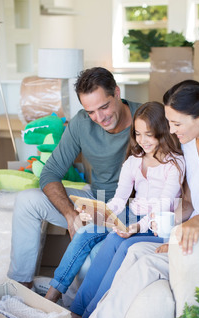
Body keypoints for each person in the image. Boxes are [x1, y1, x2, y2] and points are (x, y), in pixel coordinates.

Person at [29, 79, 199, 318]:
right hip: (179, 228)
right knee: (120, 242)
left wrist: (177, 227)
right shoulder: (188, 144)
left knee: (130, 248)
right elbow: (186, 202)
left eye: (175, 124)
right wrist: (169, 225)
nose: (172, 132)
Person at [7, 67, 141, 289]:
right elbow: (50, 173)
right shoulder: (81, 123)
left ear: (116, 93)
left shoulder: (146, 118)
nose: (99, 118)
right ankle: (20, 287)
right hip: (96, 200)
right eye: (91, 112)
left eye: (104, 107)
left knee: (88, 263)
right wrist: (70, 215)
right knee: (26, 201)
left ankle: (73, 308)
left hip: (133, 209)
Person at [44, 101, 185, 305]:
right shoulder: (134, 160)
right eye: (137, 134)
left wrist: (139, 226)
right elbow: (120, 198)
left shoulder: (174, 163)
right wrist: (102, 212)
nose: (142, 141)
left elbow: (162, 206)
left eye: (149, 134)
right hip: (130, 213)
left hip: (153, 223)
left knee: (110, 241)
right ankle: (52, 295)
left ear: (162, 132)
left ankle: (84, 308)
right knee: (85, 232)